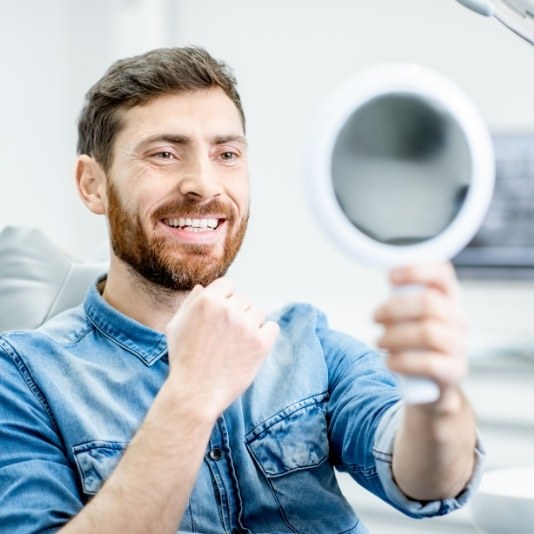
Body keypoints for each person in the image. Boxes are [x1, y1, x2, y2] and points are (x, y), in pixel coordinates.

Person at [0, 47, 484, 533]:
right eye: (164, 154)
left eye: (226, 154)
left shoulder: (306, 342)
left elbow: (430, 481)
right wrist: (192, 393)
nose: (204, 184)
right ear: (92, 185)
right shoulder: (22, 377)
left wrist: (437, 400)